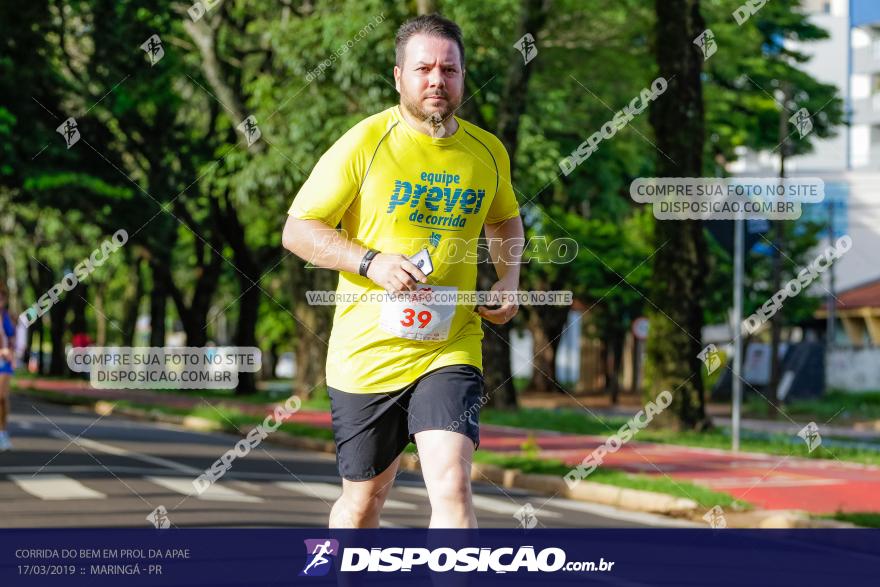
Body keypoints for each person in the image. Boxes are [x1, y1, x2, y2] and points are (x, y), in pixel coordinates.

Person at [282, 13, 524, 528]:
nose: (437, 80)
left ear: (463, 76)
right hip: (367, 355)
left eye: (449, 69)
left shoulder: (487, 151)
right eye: (424, 69)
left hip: (451, 344)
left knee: (453, 486)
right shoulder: (365, 142)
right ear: (399, 77)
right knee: (363, 503)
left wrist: (508, 279)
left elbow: (505, 222)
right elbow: (298, 231)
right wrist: (370, 261)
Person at [0, 283, 16, 451]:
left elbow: (13, 339)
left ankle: (2, 433)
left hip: (4, 364)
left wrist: (12, 352)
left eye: (2, 296)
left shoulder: (8, 317)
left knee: (2, 398)